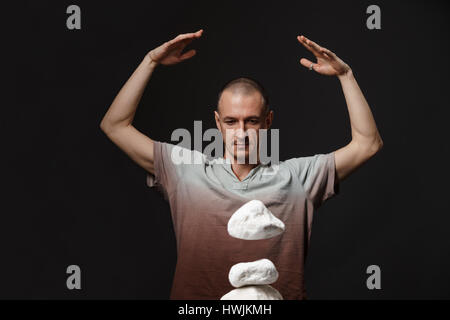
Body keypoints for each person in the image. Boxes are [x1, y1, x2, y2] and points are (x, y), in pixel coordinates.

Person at [100, 29, 383, 300]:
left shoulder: (297, 179)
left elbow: (367, 143)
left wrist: (346, 75)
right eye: (231, 122)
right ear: (217, 123)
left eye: (252, 121)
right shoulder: (186, 171)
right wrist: (150, 61)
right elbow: (115, 125)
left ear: (268, 122)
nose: (242, 132)